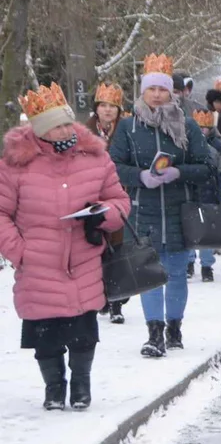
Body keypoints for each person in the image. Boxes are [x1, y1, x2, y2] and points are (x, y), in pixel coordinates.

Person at [0, 84, 131, 410]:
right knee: (45, 333)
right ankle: (54, 388)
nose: (65, 130)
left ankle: (81, 385)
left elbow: (119, 201)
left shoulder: (96, 158)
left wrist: (103, 215)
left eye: (67, 122)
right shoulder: (15, 165)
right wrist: (19, 251)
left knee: (83, 330)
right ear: (41, 130)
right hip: (37, 262)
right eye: (57, 125)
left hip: (84, 258)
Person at [109, 53, 213, 358]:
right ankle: (154, 333)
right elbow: (113, 166)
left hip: (180, 210)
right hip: (144, 210)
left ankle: (174, 326)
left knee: (177, 273)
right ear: (143, 91)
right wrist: (140, 176)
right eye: (151, 89)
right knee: (149, 272)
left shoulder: (188, 126)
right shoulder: (128, 127)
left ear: (172, 92)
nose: (157, 95)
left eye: (163, 89)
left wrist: (179, 172)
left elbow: (205, 166)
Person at [87, 82, 129, 323]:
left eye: (112, 106)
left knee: (117, 248)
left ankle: (116, 300)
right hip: (92, 194)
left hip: (119, 193)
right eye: (103, 105)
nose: (107, 110)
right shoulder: (85, 131)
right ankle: (99, 295)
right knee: (95, 249)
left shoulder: (125, 130)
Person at [188, 109, 221, 282]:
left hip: (210, 193)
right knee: (189, 230)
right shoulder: (186, 143)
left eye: (205, 127)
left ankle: (206, 265)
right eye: (199, 127)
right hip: (190, 193)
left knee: (206, 232)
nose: (202, 131)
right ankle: (189, 262)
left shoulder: (218, 146)